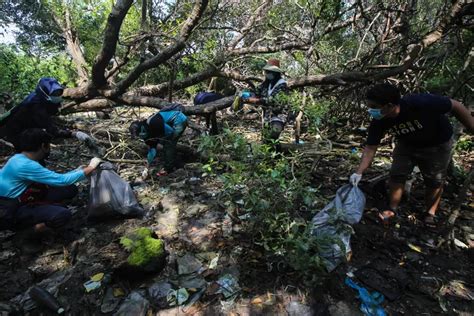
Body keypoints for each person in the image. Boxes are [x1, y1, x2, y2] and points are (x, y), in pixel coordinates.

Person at [350, 83, 474, 225]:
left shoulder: (420, 103)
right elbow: (371, 147)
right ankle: (392, 209)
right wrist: (359, 172)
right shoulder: (379, 120)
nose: (370, 110)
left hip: (437, 145)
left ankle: (430, 213)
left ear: (389, 105)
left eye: (373, 106)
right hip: (406, 144)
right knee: (397, 174)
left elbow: (455, 105)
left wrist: (471, 126)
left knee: (434, 180)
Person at [0, 129, 102, 231]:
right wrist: (91, 167)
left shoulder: (18, 158)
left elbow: (54, 178)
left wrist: (79, 171)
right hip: (10, 211)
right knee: (63, 214)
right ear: (44, 146)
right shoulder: (26, 165)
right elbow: (61, 180)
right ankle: (27, 233)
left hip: (18, 199)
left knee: (69, 189)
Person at [0, 77, 94, 151]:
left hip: (25, 125)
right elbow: (52, 130)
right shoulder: (36, 106)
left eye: (59, 92)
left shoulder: (41, 96)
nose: (58, 96)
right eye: (55, 93)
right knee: (38, 143)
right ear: (45, 93)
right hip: (16, 131)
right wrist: (74, 134)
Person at [242, 58, 290, 142]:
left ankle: (277, 153)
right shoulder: (267, 84)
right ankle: (273, 153)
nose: (267, 74)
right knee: (267, 140)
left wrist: (256, 100)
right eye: (267, 72)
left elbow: (273, 100)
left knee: (274, 134)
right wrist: (248, 94)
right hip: (268, 116)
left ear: (275, 73)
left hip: (279, 116)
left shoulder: (282, 85)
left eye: (269, 72)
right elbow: (257, 92)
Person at [129, 108, 188, 176]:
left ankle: (168, 169)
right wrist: (147, 167)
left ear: (142, 129)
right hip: (168, 126)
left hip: (179, 119)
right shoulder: (147, 137)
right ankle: (174, 162)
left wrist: (160, 142)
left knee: (169, 144)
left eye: (138, 134)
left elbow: (170, 132)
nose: (140, 137)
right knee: (164, 146)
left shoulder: (153, 122)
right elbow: (152, 150)